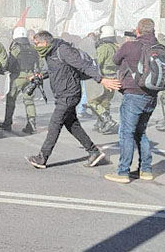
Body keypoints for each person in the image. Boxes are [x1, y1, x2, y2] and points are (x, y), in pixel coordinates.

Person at [26, 31, 121, 169]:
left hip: (69, 94)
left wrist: (101, 80)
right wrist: (40, 75)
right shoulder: (50, 52)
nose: (36, 47)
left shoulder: (63, 50)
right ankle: (94, 152)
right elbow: (55, 70)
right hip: (62, 94)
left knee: (55, 124)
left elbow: (83, 65)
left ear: (45, 42)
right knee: (72, 125)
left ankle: (42, 157)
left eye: (37, 44)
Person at [102, 18, 164, 183]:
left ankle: (123, 172)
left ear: (138, 30)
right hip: (152, 95)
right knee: (141, 132)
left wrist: (127, 43)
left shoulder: (129, 46)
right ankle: (146, 170)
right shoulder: (160, 47)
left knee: (126, 133)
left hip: (133, 95)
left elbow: (115, 60)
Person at [1, 26, 38, 133]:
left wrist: (6, 69)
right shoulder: (32, 48)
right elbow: (39, 63)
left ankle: (7, 123)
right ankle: (31, 124)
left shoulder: (16, 48)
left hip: (18, 76)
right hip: (30, 76)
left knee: (11, 99)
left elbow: (11, 61)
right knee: (29, 100)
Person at [87, 25, 120, 134]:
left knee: (92, 101)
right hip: (114, 77)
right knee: (105, 102)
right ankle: (101, 122)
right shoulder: (116, 47)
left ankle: (107, 120)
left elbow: (98, 63)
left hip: (103, 78)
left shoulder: (103, 48)